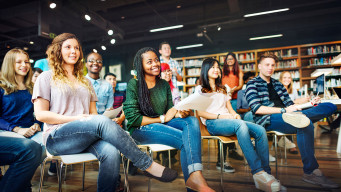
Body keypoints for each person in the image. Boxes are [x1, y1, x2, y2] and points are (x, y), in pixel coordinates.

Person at [32, 33, 178, 192]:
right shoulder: (46, 77)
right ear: (57, 50)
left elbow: (93, 114)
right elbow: (40, 115)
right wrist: (76, 119)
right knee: (101, 123)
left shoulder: (85, 81)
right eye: (68, 47)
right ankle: (146, 164)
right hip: (57, 137)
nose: (73, 51)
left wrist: (108, 124)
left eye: (76, 48)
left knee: (111, 151)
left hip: (84, 136)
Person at [123, 47, 214, 192]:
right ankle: (194, 183)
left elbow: (169, 110)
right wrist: (161, 118)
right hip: (141, 129)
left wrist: (179, 113)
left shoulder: (164, 84)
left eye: (157, 60)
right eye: (149, 61)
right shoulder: (134, 84)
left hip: (161, 122)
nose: (155, 64)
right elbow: (133, 119)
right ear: (140, 65)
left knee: (192, 121)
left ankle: (196, 178)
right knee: (186, 140)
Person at [245, 52, 339, 189]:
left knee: (329, 106)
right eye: (267, 65)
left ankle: (303, 115)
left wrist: (309, 104)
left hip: (290, 116)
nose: (270, 68)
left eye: (272, 65)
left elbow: (290, 105)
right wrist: (284, 111)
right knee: (304, 123)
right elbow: (257, 109)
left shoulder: (277, 84)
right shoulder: (252, 83)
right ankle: (310, 172)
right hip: (268, 119)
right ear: (259, 66)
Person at [196, 58, 284, 192]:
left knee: (260, 130)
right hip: (212, 123)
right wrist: (222, 116)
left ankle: (266, 175)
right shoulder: (200, 89)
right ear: (205, 70)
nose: (216, 70)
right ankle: (258, 172)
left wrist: (235, 114)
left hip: (230, 120)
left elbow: (228, 107)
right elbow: (201, 113)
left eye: (217, 67)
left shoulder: (223, 88)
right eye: (212, 67)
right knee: (240, 126)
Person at [0, 48, 51, 173]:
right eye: (19, 62)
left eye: (27, 62)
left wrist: (37, 125)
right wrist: (17, 129)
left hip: (30, 132)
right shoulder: (1, 86)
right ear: (9, 64)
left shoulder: (33, 88)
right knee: (28, 148)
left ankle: (19, 180)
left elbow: (41, 112)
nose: (24, 65)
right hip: (6, 131)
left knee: (49, 144)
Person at [278, 71, 307, 154]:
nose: (287, 79)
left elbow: (296, 102)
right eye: (284, 77)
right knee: (291, 119)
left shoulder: (293, 90)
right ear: (280, 79)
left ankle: (284, 140)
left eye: (289, 77)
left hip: (292, 111)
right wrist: (295, 102)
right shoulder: (277, 90)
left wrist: (302, 101)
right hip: (281, 112)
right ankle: (290, 144)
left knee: (302, 116)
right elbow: (281, 104)